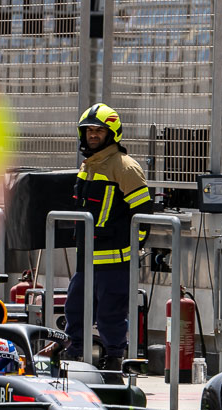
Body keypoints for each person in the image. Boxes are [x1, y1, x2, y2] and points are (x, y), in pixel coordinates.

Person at [66, 103, 152, 370]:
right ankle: (75, 354)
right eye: (88, 130)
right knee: (75, 308)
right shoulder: (87, 166)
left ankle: (114, 362)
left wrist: (131, 248)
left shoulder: (125, 167)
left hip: (114, 260)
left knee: (110, 315)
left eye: (98, 131)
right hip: (86, 258)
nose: (92, 135)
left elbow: (143, 214)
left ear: (111, 133)